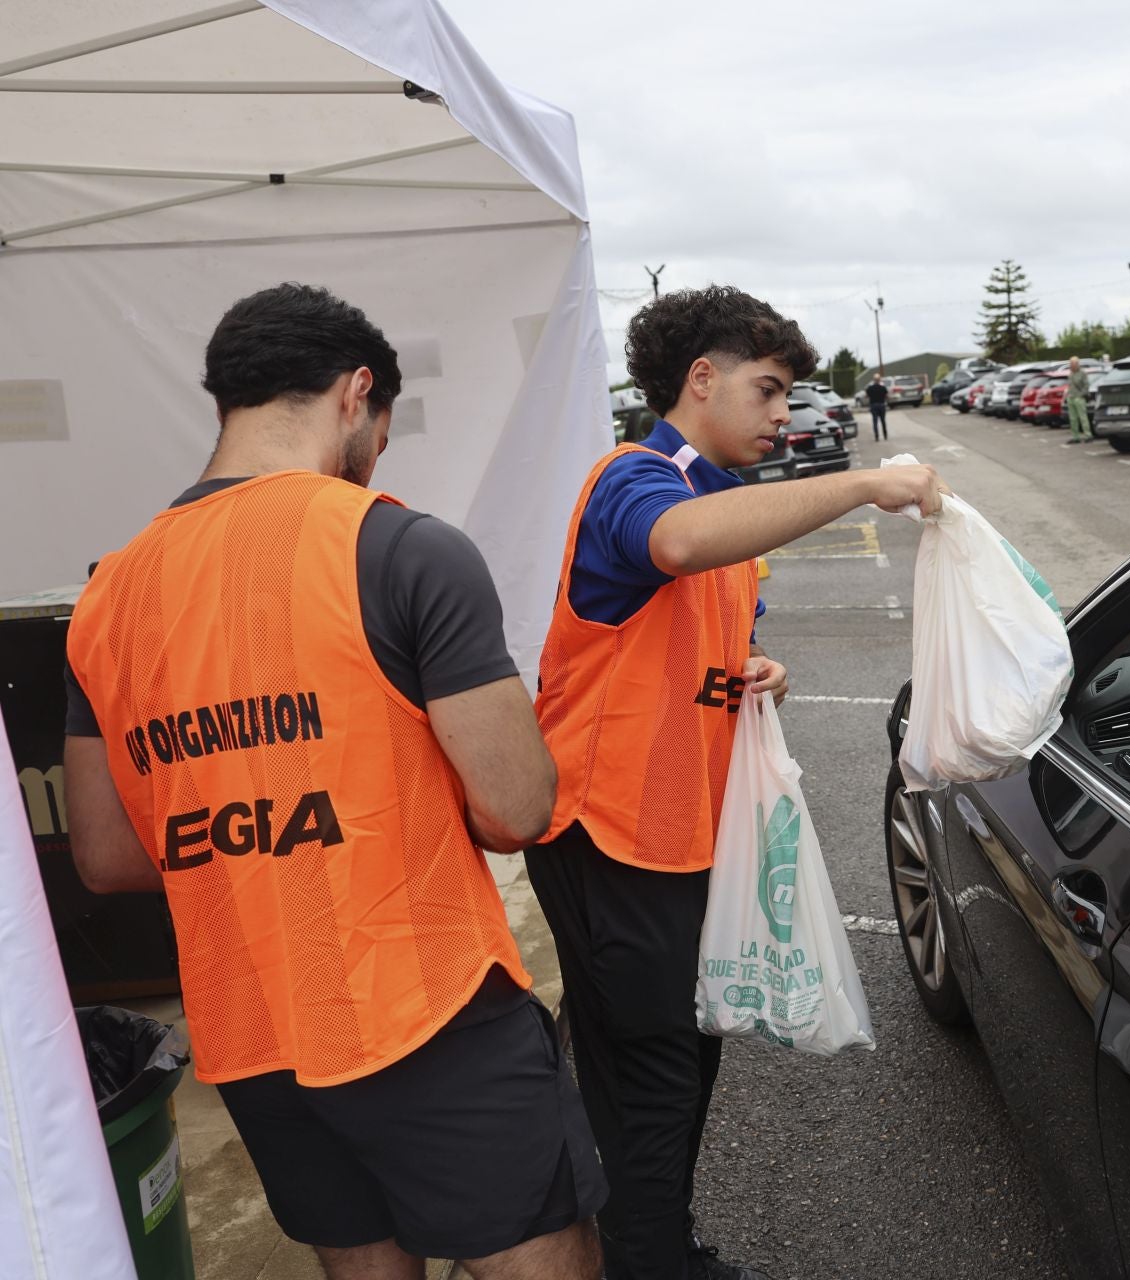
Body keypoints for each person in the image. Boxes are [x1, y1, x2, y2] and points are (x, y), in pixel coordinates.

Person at [62, 283, 605, 1280]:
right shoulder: (399, 546)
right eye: (382, 430)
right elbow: (518, 806)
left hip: (252, 1020)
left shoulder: (108, 592)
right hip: (426, 1007)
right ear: (357, 392)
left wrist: (246, 824)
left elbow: (103, 853)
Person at [526, 285, 944, 1280]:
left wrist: (759, 671)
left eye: (790, 396)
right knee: (653, 1065)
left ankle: (650, 1239)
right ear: (699, 378)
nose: (782, 416)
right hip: (609, 832)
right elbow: (670, 547)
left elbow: (695, 633)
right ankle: (649, 1256)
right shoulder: (637, 478)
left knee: (677, 1052)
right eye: (766, 390)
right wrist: (858, 485)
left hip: (679, 830)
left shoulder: (719, 498)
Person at [1065, 356, 1093, 444]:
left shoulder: (1082, 373)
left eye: (1073, 364)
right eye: (1070, 364)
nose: (1071, 366)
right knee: (1073, 419)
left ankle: (1088, 435)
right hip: (1071, 398)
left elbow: (1086, 386)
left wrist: (1081, 395)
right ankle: (1075, 436)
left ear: (1077, 364)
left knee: (1083, 417)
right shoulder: (1070, 374)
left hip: (1079, 398)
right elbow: (1069, 386)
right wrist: (1068, 395)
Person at [865, 370, 889, 440]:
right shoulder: (883, 387)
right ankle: (885, 435)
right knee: (883, 421)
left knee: (875, 421)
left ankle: (876, 436)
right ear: (879, 380)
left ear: (874, 380)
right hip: (881, 405)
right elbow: (887, 396)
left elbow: (866, 396)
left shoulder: (870, 388)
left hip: (873, 405)